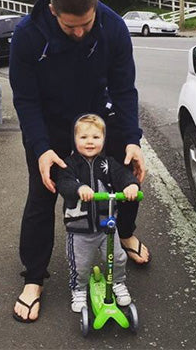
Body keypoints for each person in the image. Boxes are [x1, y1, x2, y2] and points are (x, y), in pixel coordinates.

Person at [9, 0, 150, 323]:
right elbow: (26, 100)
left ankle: (126, 234)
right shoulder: (28, 35)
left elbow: (124, 88)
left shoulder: (113, 27)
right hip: (52, 127)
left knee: (127, 178)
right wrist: (40, 148)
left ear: (96, 6)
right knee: (42, 197)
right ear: (54, 10)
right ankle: (34, 277)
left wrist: (131, 138)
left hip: (99, 122)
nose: (79, 33)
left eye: (86, 24)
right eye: (70, 27)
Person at [56, 114, 139, 312]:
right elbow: (63, 183)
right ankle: (79, 288)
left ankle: (118, 283)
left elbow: (123, 175)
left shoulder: (108, 163)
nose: (90, 142)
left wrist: (131, 185)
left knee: (118, 258)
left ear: (103, 139)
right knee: (80, 264)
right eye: (84, 138)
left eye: (95, 137)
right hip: (80, 228)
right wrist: (78, 188)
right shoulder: (70, 164)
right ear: (75, 140)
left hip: (106, 226)